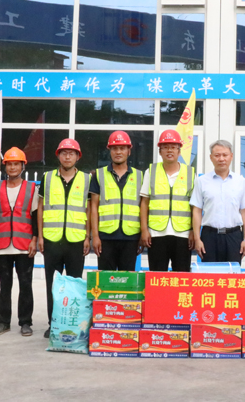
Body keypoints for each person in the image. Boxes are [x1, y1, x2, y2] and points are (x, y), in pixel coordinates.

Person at [38, 138, 91, 338]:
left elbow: (89, 209)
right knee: (53, 286)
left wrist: (88, 237)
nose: (67, 156)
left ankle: (73, 323)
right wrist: (40, 236)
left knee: (75, 286)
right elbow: (40, 207)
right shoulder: (47, 178)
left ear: (78, 157)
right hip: (52, 240)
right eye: (64, 153)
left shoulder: (86, 179)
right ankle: (53, 324)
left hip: (76, 240)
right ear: (58, 156)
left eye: (72, 153)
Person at [0, 147, 38, 337]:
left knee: (25, 285)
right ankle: (4, 322)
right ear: (5, 166)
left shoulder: (31, 188)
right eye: (9, 164)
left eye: (16, 164)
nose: (13, 167)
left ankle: (25, 322)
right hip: (2, 244)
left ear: (23, 166)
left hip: (25, 244)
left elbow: (35, 216)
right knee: (5, 285)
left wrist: (34, 239)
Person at [140, 130, 195, 272]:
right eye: (165, 147)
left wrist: (193, 231)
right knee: (157, 277)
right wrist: (144, 230)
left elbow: (194, 207)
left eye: (173, 147)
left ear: (179, 151)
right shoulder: (151, 171)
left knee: (181, 277)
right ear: (160, 151)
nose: (169, 150)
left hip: (183, 234)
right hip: (156, 233)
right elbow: (144, 203)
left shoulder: (190, 173)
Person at [191, 140, 245, 263]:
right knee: (209, 273)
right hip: (209, 236)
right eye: (217, 155)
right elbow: (197, 211)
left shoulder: (240, 182)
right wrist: (197, 239)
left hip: (234, 236)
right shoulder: (202, 181)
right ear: (211, 157)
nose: (221, 159)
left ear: (231, 156)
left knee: (232, 272)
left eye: (225, 155)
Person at [89, 131, 143, 271]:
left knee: (128, 279)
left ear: (129, 151)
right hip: (106, 237)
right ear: (110, 151)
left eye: (122, 148)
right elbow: (93, 207)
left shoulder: (140, 176)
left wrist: (142, 233)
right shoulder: (99, 175)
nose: (118, 152)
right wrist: (95, 236)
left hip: (131, 237)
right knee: (106, 280)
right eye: (114, 148)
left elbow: (144, 207)